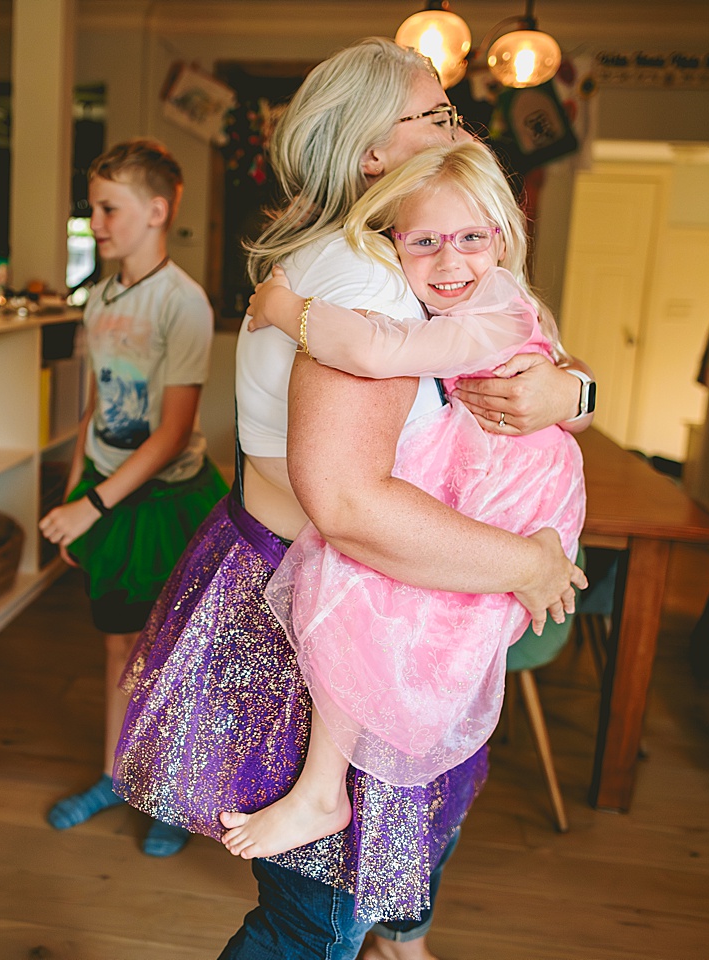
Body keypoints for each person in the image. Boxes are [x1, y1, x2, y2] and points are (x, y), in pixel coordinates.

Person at [113, 38, 592, 960]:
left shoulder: (370, 255)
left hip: (335, 578)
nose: (459, 125)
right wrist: (531, 561)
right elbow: (348, 502)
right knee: (313, 921)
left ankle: (400, 940)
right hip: (332, 602)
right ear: (372, 147)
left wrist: (574, 392)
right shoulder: (372, 277)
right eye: (438, 114)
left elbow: (523, 352)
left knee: (361, 879)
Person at [218, 140, 586, 860]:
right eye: (424, 243)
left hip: (509, 492)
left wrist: (289, 309)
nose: (450, 264)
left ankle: (326, 795)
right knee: (364, 586)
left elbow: (381, 353)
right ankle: (350, 815)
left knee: (367, 588)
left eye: (473, 239)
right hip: (489, 477)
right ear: (393, 241)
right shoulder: (478, 295)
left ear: (505, 237)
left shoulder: (498, 307)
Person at [37, 139, 228, 858]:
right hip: (109, 494)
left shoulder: (184, 304)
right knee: (119, 647)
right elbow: (97, 400)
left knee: (172, 656)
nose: (94, 222)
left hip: (166, 503)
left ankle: (171, 794)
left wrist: (96, 505)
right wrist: (75, 487)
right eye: (91, 208)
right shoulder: (101, 295)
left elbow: (173, 431)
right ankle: (116, 776)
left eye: (107, 208)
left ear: (155, 211)